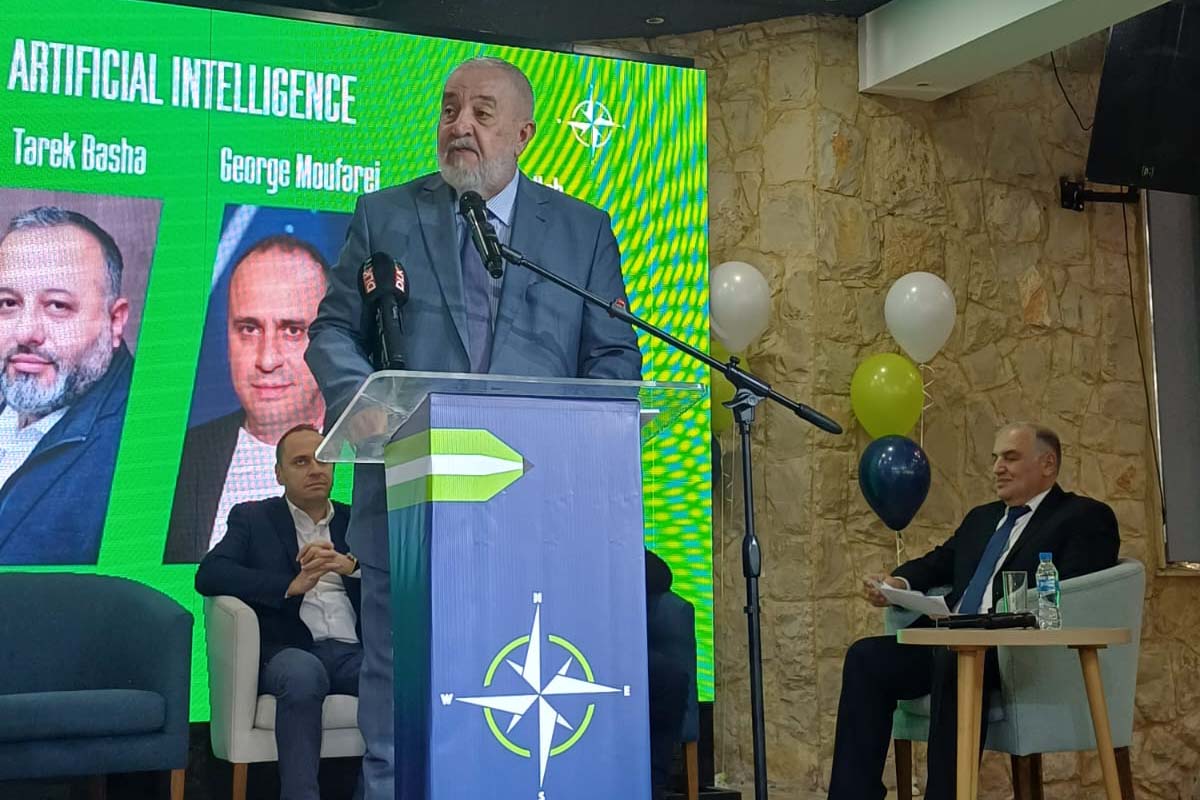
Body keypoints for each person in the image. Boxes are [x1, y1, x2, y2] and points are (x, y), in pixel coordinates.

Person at [306, 56, 662, 799]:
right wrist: (362, 394)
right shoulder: (385, 215)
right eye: (449, 109)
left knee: (519, 718)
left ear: (524, 134)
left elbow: (613, 357)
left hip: (539, 518)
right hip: (411, 511)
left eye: (482, 112)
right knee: (398, 722)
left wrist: (585, 440)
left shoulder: (581, 232)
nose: (460, 125)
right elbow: (333, 330)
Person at [828, 422, 1120, 800]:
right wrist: (896, 583)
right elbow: (938, 562)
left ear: (1048, 464)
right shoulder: (982, 518)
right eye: (995, 458)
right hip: (947, 638)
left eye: (1010, 458)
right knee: (866, 657)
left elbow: (1075, 589)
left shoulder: (1083, 516)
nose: (997, 468)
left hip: (1014, 652)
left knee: (961, 658)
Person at [195, 423, 361, 800]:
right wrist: (290, 585)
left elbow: (400, 573)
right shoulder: (253, 519)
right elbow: (210, 574)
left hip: (354, 651)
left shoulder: (355, 521)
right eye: (301, 462)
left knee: (396, 678)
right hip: (290, 649)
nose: (315, 470)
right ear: (279, 474)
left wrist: (350, 566)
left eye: (322, 460)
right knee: (303, 675)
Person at [165, 235, 328, 563]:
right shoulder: (178, 459)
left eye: (292, 331)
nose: (267, 360)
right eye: (249, 329)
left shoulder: (373, 457)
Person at [0, 206, 134, 564]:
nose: (25, 332)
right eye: (8, 303)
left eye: (57, 306)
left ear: (115, 321)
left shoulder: (139, 447)